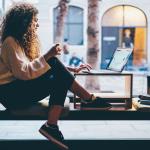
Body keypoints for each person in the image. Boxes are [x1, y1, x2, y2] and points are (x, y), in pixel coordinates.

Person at [0, 3, 112, 150]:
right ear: (24, 22)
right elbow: (23, 73)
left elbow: (36, 66)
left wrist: (71, 69)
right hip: (12, 95)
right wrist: (48, 55)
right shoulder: (10, 42)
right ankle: (87, 99)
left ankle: (52, 125)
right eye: (34, 21)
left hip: (16, 91)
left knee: (58, 75)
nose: (37, 24)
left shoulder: (18, 41)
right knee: (53, 63)